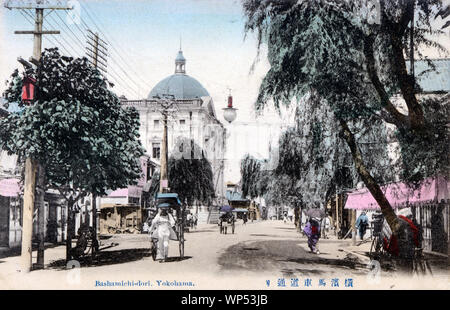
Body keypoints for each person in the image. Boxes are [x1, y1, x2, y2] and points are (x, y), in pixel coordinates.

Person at [381, 208, 421, 273]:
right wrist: (416, 244)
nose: (411, 218)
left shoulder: (396, 222)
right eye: (410, 217)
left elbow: (392, 238)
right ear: (408, 216)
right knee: (407, 269)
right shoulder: (408, 224)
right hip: (407, 251)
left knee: (401, 268)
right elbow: (415, 235)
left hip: (398, 251)